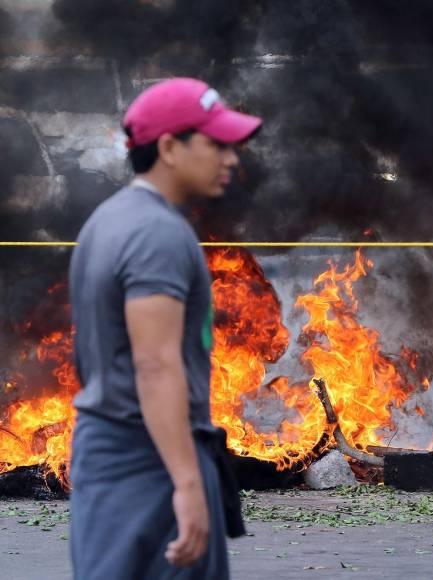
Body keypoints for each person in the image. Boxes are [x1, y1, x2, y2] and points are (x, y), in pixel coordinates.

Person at [69, 78, 262, 579]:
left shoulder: (106, 221)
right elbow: (154, 364)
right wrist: (187, 482)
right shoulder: (158, 234)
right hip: (150, 462)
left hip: (110, 454)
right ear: (171, 147)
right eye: (216, 143)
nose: (231, 158)